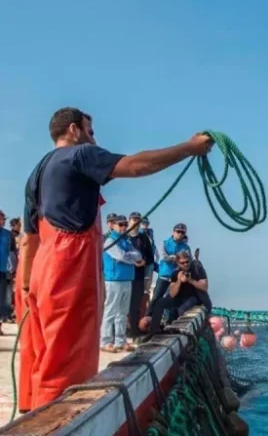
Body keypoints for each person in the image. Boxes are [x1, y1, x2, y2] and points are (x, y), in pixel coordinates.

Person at [17, 107, 213, 410]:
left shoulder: (38, 171)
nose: (94, 139)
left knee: (42, 354)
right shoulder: (79, 154)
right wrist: (189, 149)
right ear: (73, 130)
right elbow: (135, 166)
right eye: (90, 131)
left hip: (41, 267)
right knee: (66, 361)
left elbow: (28, 238)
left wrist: (28, 287)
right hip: (68, 268)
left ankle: (32, 413)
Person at [140, 250, 211, 334]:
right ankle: (155, 330)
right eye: (182, 263)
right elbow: (172, 294)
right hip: (180, 298)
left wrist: (190, 280)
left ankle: (181, 331)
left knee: (181, 310)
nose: (185, 264)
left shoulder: (197, 268)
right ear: (178, 263)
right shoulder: (175, 273)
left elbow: (204, 287)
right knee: (159, 303)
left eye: (187, 262)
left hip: (195, 297)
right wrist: (179, 281)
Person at [101, 215, 142, 352]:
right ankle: (105, 341)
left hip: (126, 279)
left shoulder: (126, 241)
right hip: (114, 280)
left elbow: (138, 255)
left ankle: (120, 340)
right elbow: (121, 256)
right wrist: (131, 257)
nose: (124, 227)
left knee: (123, 312)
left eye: (125, 224)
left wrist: (128, 256)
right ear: (113, 225)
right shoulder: (110, 241)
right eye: (121, 224)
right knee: (111, 311)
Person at [149, 223, 191, 319]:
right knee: (156, 297)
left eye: (182, 232)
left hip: (176, 278)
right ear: (173, 232)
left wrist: (173, 258)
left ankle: (170, 321)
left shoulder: (185, 247)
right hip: (164, 275)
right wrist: (177, 259)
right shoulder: (164, 243)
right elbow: (164, 257)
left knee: (172, 299)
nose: (180, 234)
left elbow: (188, 261)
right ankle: (149, 318)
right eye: (178, 231)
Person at [126, 212, 154, 342]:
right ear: (129, 220)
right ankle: (122, 331)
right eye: (134, 219)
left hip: (138, 276)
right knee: (123, 305)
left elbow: (150, 257)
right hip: (124, 277)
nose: (136, 222)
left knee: (136, 304)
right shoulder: (123, 237)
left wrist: (143, 262)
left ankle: (134, 331)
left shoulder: (144, 238)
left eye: (138, 220)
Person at [0, 210, 11, 334]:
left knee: (1, 300)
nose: (1, 221)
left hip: (3, 271)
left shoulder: (8, 235)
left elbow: (12, 252)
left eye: (2, 219)